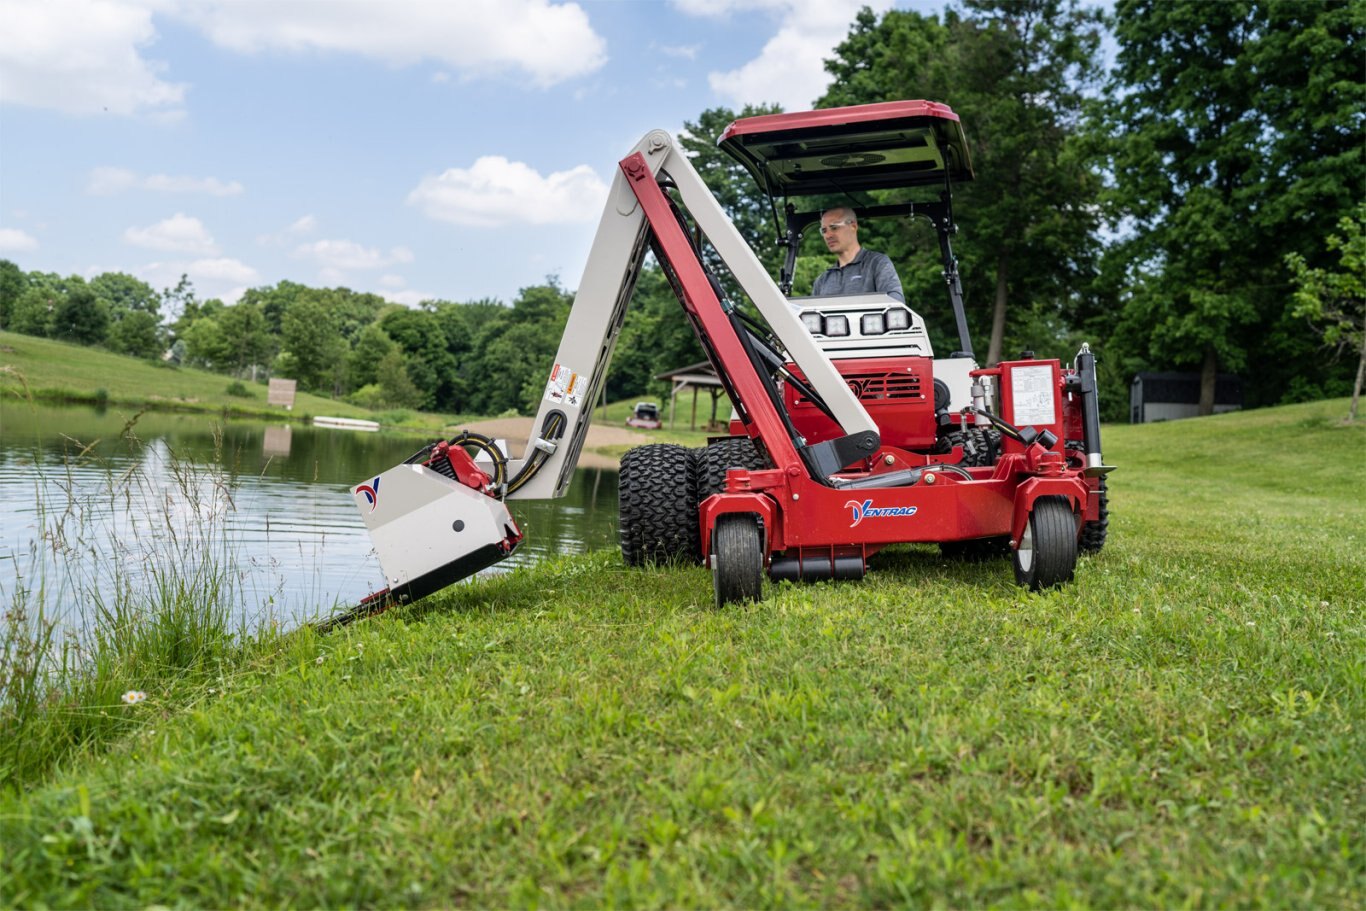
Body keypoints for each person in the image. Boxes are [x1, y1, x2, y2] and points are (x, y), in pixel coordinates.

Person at [811, 206, 904, 302]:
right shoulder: (822, 280)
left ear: (853, 226)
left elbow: (896, 304)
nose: (828, 235)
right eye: (824, 231)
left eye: (834, 228)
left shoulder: (877, 264)